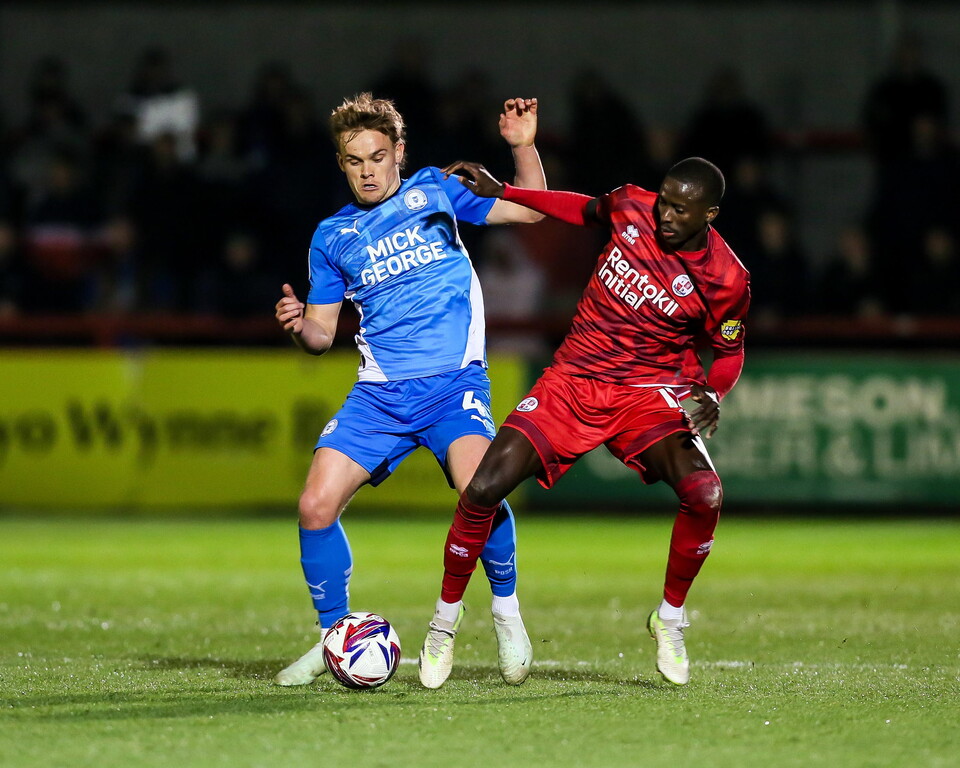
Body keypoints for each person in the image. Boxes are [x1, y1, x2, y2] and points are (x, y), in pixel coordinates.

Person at [418, 157, 750, 689]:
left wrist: (714, 391)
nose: (665, 213)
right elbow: (578, 209)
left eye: (680, 209)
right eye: (664, 199)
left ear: (709, 214)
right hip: (573, 380)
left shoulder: (726, 279)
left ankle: (669, 619)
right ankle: (443, 625)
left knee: (705, 494)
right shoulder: (631, 204)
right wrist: (506, 190)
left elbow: (729, 353)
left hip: (647, 394)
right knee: (481, 488)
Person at [273, 93, 546, 688]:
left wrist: (522, 146)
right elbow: (322, 334)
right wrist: (300, 326)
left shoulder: (437, 192)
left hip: (453, 385)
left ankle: (506, 612)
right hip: (380, 395)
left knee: (482, 489)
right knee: (315, 507)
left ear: (399, 152)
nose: (367, 170)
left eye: (376, 155)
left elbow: (531, 212)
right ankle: (337, 637)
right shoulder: (332, 235)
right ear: (341, 164)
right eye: (353, 160)